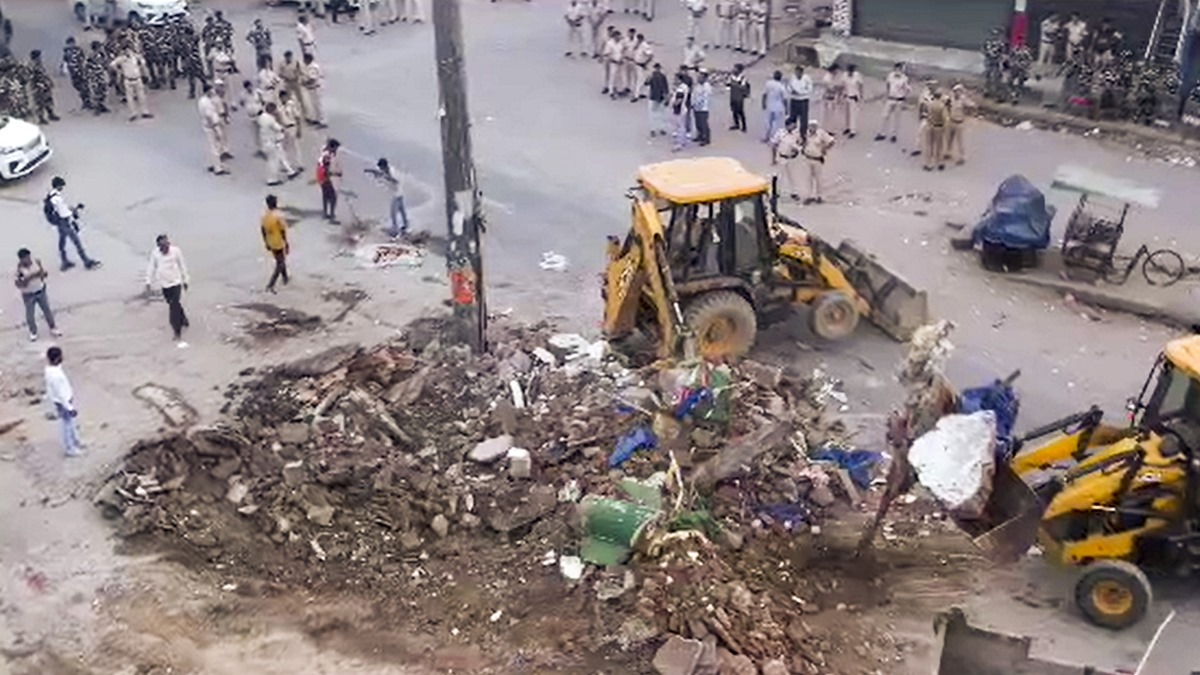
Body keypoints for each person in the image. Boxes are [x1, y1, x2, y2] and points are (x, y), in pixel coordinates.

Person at [45, 177, 100, 271]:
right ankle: (86, 261)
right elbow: (64, 213)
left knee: (62, 241)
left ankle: (64, 261)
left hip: (58, 221)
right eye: (61, 186)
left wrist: (70, 209)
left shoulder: (51, 195)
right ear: (58, 186)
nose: (62, 187)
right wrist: (74, 212)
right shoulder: (57, 198)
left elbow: (61, 208)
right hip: (63, 222)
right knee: (76, 241)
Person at [145, 234, 190, 345]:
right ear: (159, 246)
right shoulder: (155, 254)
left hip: (176, 282)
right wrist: (148, 282)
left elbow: (182, 265)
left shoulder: (176, 251)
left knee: (173, 307)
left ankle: (177, 332)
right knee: (173, 304)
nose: (165, 248)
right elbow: (151, 267)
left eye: (167, 245)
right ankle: (184, 319)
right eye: (162, 246)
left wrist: (186, 280)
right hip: (164, 284)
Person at [44, 347, 83, 457]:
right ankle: (70, 448)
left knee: (70, 423)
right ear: (57, 359)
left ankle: (75, 441)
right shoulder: (56, 376)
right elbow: (61, 394)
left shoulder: (50, 370)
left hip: (61, 400)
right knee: (67, 424)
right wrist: (69, 407)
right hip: (64, 402)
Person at [16, 248, 60, 342]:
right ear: (21, 259)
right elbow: (20, 284)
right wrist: (29, 278)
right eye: (25, 258)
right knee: (30, 315)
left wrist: (42, 274)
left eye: (28, 257)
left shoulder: (36, 263)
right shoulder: (19, 270)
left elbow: (44, 274)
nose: (28, 260)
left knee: (47, 310)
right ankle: (33, 332)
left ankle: (53, 328)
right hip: (28, 295)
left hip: (40, 290)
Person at [366, 158, 410, 238]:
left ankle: (395, 229)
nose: (381, 169)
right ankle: (405, 225)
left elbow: (395, 181)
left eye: (382, 167)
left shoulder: (392, 171)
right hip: (397, 194)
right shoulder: (386, 171)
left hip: (397, 194)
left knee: (393, 213)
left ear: (385, 166)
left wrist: (384, 176)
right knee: (402, 211)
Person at [260, 102, 298, 186]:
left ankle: (290, 171)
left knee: (281, 156)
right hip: (271, 143)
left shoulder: (262, 117)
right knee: (274, 162)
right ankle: (272, 179)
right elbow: (279, 128)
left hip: (268, 142)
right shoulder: (270, 119)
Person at [110, 45, 151, 120]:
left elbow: (143, 63)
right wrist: (119, 70)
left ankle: (144, 112)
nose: (127, 52)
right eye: (125, 50)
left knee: (141, 96)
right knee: (130, 98)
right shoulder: (121, 59)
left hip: (137, 79)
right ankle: (133, 113)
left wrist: (143, 71)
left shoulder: (135, 57)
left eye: (129, 50)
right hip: (128, 80)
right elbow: (112, 65)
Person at [198, 85, 230, 175]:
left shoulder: (203, 101)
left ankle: (211, 164)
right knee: (215, 146)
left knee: (211, 145)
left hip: (207, 125)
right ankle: (218, 167)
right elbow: (210, 116)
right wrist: (216, 128)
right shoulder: (207, 103)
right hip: (212, 126)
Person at [261, 195, 290, 293]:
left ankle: (285, 278)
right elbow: (282, 230)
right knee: (280, 263)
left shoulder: (265, 216)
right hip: (278, 242)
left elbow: (263, 230)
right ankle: (271, 284)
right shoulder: (278, 215)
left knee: (280, 259)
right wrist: (286, 242)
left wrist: (266, 242)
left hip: (270, 241)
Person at [801, 120, 834, 204]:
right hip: (808, 158)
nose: (812, 128)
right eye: (811, 126)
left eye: (814, 126)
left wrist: (825, 149)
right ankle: (809, 196)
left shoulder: (821, 133)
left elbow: (831, 141)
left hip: (817, 159)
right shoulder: (806, 134)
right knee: (808, 178)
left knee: (818, 178)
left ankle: (819, 196)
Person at [875, 62, 909, 143]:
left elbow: (907, 89)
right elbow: (888, 85)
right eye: (897, 68)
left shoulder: (904, 78)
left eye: (900, 69)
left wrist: (903, 97)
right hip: (890, 98)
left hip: (899, 100)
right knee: (885, 116)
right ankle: (882, 133)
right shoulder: (890, 76)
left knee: (896, 118)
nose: (898, 70)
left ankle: (894, 135)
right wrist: (886, 95)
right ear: (895, 69)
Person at [27, 51, 59, 124]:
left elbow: (44, 75)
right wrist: (39, 84)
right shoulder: (32, 66)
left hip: (44, 86)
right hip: (37, 87)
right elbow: (32, 77)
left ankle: (50, 113)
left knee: (48, 100)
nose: (40, 58)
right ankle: (41, 118)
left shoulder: (39, 64)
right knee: (39, 102)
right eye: (38, 56)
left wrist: (49, 81)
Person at [944, 84, 973, 165]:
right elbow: (945, 104)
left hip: (959, 122)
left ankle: (962, 157)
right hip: (951, 121)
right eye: (956, 91)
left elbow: (972, 105)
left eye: (959, 91)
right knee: (949, 139)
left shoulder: (963, 100)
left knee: (960, 141)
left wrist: (967, 111)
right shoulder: (951, 98)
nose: (957, 93)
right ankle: (948, 152)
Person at [772, 119, 802, 198]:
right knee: (780, 176)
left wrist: (796, 152)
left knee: (793, 176)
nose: (794, 127)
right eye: (793, 125)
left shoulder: (796, 133)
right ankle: (777, 192)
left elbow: (799, 142)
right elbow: (774, 145)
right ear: (788, 125)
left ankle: (794, 192)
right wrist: (774, 158)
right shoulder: (780, 133)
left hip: (791, 158)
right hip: (782, 157)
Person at [318, 139, 343, 222]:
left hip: (324, 177)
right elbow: (326, 168)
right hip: (329, 178)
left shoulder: (325, 153)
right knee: (332, 197)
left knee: (325, 196)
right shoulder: (328, 156)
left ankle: (326, 213)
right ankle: (331, 215)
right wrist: (335, 173)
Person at [786, 65, 812, 140]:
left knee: (803, 118)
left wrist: (801, 92)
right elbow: (789, 87)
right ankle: (792, 134)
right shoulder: (792, 78)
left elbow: (810, 89)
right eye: (796, 72)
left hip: (803, 100)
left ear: (802, 72)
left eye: (799, 72)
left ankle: (803, 134)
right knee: (792, 117)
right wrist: (792, 91)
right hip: (794, 99)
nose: (798, 74)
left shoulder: (806, 78)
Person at [64, 37, 90, 110]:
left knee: (84, 86)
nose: (71, 45)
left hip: (81, 71)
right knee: (77, 86)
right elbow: (65, 62)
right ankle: (85, 100)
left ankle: (87, 102)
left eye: (72, 43)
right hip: (73, 73)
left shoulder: (78, 50)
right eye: (70, 43)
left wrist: (84, 68)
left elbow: (83, 59)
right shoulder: (66, 52)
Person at [242, 79, 266, 158]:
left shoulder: (258, 93)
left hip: (259, 114)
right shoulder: (243, 95)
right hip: (251, 116)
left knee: (263, 132)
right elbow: (241, 103)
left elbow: (263, 101)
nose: (249, 88)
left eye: (250, 86)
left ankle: (265, 149)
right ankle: (259, 149)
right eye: (247, 87)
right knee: (255, 134)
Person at [762, 69, 787, 144]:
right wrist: (786, 108)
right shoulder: (781, 87)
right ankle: (773, 138)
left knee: (768, 122)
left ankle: (766, 137)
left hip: (769, 105)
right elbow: (785, 99)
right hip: (778, 107)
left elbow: (764, 95)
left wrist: (763, 103)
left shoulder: (768, 84)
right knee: (776, 123)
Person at [301, 53, 326, 127]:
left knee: (318, 105)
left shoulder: (312, 67)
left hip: (316, 88)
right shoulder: (310, 66)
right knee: (315, 105)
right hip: (313, 88)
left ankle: (323, 121)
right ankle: (318, 119)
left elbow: (312, 79)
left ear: (308, 59)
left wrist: (304, 83)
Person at [647, 62, 670, 137]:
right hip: (659, 97)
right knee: (661, 114)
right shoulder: (662, 76)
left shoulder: (652, 76)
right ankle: (661, 129)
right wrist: (667, 97)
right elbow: (666, 88)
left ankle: (653, 129)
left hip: (654, 97)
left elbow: (646, 84)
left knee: (654, 114)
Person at [669, 73, 691, 151]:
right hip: (683, 108)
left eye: (676, 79)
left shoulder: (680, 89)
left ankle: (679, 143)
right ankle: (683, 141)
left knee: (679, 126)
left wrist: (673, 104)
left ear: (679, 79)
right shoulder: (685, 87)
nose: (674, 81)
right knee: (682, 126)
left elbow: (679, 100)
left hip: (679, 109)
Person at [692, 70, 713, 146]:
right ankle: (700, 135)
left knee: (703, 123)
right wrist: (693, 103)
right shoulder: (697, 86)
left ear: (704, 78)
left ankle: (706, 138)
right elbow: (694, 94)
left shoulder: (706, 87)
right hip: (696, 107)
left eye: (700, 77)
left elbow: (704, 98)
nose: (698, 78)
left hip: (703, 108)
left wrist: (697, 103)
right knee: (698, 123)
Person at [820, 64, 844, 131]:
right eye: (836, 71)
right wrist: (838, 88)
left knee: (832, 115)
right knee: (828, 115)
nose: (837, 73)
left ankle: (830, 129)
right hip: (828, 98)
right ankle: (827, 129)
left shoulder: (833, 77)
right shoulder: (827, 78)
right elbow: (830, 88)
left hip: (832, 98)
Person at [728, 63, 749, 132]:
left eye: (735, 68)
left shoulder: (743, 78)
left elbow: (742, 87)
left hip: (739, 97)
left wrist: (733, 85)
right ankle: (736, 124)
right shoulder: (731, 77)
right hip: (733, 96)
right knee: (734, 110)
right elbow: (728, 85)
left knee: (740, 111)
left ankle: (744, 126)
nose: (734, 69)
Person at [631, 33, 653, 100]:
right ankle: (643, 93)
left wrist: (645, 63)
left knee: (640, 80)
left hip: (642, 65)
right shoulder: (638, 45)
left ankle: (636, 96)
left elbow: (650, 56)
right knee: (642, 80)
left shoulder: (645, 46)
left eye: (638, 39)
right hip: (636, 64)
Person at [843, 64, 862, 137]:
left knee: (853, 114)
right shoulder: (845, 76)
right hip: (846, 96)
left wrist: (860, 95)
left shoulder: (857, 76)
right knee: (846, 114)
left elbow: (860, 85)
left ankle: (853, 130)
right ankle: (847, 127)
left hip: (854, 97)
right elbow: (843, 85)